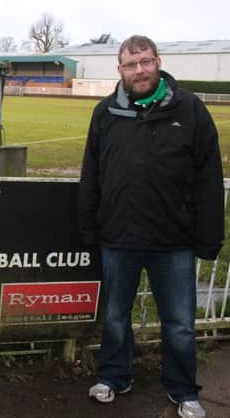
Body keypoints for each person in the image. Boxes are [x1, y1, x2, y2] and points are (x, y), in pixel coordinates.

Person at [78, 35, 224, 418]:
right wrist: (89, 228)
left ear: (158, 61)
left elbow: (209, 179)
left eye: (145, 61)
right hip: (118, 238)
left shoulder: (190, 109)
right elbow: (90, 175)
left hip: (172, 241)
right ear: (121, 69)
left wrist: (210, 238)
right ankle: (113, 376)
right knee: (114, 316)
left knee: (178, 323)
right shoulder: (106, 112)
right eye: (131, 64)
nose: (139, 70)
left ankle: (183, 389)